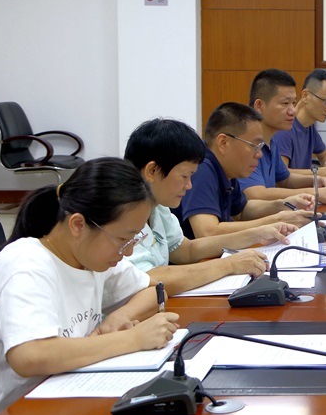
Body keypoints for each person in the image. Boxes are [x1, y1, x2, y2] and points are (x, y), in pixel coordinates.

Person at [0, 158, 180, 415]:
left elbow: (150, 289)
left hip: (47, 414)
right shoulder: (26, 265)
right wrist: (132, 339)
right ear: (78, 224)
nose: (128, 251)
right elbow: (30, 356)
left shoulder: (89, 257)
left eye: (134, 239)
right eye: (122, 239)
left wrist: (119, 317)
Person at [124, 118, 298, 295]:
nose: (189, 185)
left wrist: (256, 234)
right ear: (152, 171)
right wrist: (229, 265)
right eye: (184, 176)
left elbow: (186, 250)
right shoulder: (121, 213)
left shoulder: (157, 207)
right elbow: (148, 279)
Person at [173, 102, 314, 239]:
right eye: (254, 145)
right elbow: (207, 232)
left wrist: (283, 204)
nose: (259, 154)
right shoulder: (201, 167)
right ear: (223, 143)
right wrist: (276, 220)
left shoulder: (226, 168)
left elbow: (242, 211)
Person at [240, 69, 326, 206]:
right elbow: (256, 194)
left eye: (293, 103)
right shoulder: (243, 143)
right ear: (259, 105)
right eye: (285, 103)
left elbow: (285, 179)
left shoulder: (270, 141)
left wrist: (317, 180)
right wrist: (316, 192)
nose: (293, 110)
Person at [276, 69, 326, 179]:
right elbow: (281, 174)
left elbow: (325, 155)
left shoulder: (309, 127)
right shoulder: (284, 127)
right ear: (305, 95)